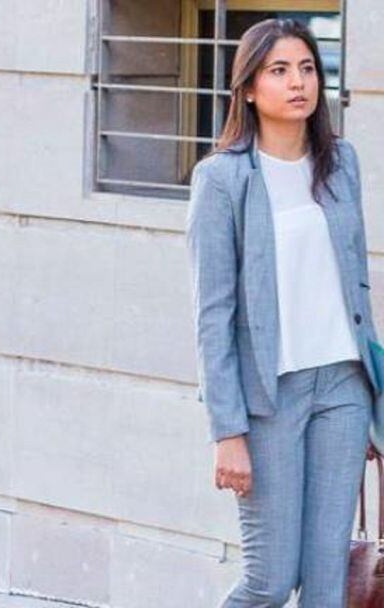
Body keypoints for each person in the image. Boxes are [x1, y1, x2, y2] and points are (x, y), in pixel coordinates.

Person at [187, 19, 378, 607]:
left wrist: (373, 402)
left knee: (326, 584)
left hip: (344, 390)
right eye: (278, 70)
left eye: (306, 69)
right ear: (247, 88)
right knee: (270, 579)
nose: (298, 82)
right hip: (270, 398)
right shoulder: (222, 180)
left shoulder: (340, 163)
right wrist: (228, 431)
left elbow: (357, 290)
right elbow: (213, 316)